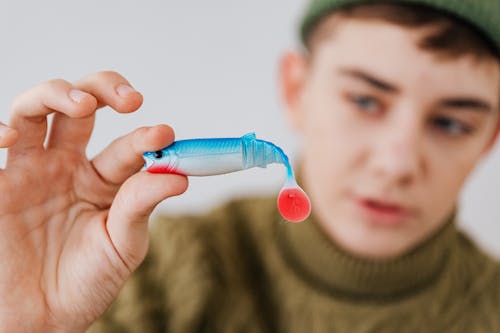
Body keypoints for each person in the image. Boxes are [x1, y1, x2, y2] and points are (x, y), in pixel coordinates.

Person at [0, 0, 498, 332]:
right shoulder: (148, 276)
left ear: (490, 139)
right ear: (295, 89)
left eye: (452, 124)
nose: (396, 164)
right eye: (366, 101)